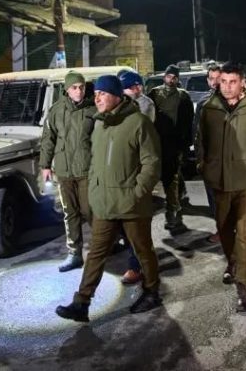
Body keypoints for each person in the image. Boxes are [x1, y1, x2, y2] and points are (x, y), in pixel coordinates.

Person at [55, 75, 162, 322]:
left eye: (102, 94)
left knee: (143, 250)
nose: (97, 98)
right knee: (96, 253)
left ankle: (152, 292)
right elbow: (95, 162)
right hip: (105, 203)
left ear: (116, 95)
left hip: (132, 205)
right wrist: (94, 191)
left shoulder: (139, 123)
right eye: (95, 94)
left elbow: (152, 163)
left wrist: (136, 194)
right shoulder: (99, 124)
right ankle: (81, 303)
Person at [197, 61, 246, 311]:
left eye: (233, 82)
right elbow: (200, 140)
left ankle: (245, 287)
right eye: (223, 81)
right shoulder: (209, 108)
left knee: (244, 233)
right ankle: (232, 262)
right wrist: (204, 165)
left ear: (243, 82)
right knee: (224, 229)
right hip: (219, 181)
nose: (227, 87)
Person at [40, 71, 96, 272]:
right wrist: (45, 165)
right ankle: (74, 253)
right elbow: (48, 139)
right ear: (67, 89)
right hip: (64, 170)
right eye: (74, 87)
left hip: (87, 170)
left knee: (90, 211)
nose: (79, 91)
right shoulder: (56, 110)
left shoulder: (93, 109)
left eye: (81, 87)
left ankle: (106, 244)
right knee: (70, 212)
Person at [116, 70, 157, 285]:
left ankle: (137, 266)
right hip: (117, 173)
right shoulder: (115, 106)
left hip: (136, 171)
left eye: (136, 86)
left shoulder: (144, 105)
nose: (136, 89)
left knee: (136, 221)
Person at [149, 64, 194, 233]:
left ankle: (172, 212)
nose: (171, 80)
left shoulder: (183, 96)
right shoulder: (154, 94)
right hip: (156, 142)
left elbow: (188, 121)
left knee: (171, 176)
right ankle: (178, 195)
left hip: (174, 144)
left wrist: (186, 145)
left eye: (174, 77)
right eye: (169, 76)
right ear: (164, 77)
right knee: (164, 176)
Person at [193, 64, 222, 243]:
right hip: (209, 160)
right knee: (213, 198)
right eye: (212, 78)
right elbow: (196, 133)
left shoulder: (235, 101)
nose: (215, 82)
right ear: (208, 80)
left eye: (218, 78)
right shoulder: (202, 103)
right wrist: (199, 158)